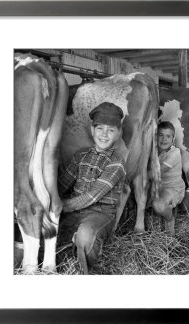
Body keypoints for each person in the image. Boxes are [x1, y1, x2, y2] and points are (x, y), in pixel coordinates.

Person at [58, 102, 126, 274]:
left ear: (118, 133)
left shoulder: (117, 162)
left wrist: (61, 207)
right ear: (92, 130)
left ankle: (84, 264)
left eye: (111, 130)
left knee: (86, 236)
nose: (104, 134)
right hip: (73, 214)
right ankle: (72, 255)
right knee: (50, 237)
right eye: (100, 128)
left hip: (101, 214)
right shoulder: (80, 156)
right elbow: (62, 184)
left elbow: (92, 196)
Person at [151, 121, 185, 236]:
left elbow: (157, 172)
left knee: (158, 205)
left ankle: (170, 221)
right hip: (155, 187)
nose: (164, 139)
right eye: (160, 135)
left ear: (173, 139)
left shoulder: (175, 152)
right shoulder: (152, 152)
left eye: (168, 136)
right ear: (155, 136)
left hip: (172, 188)